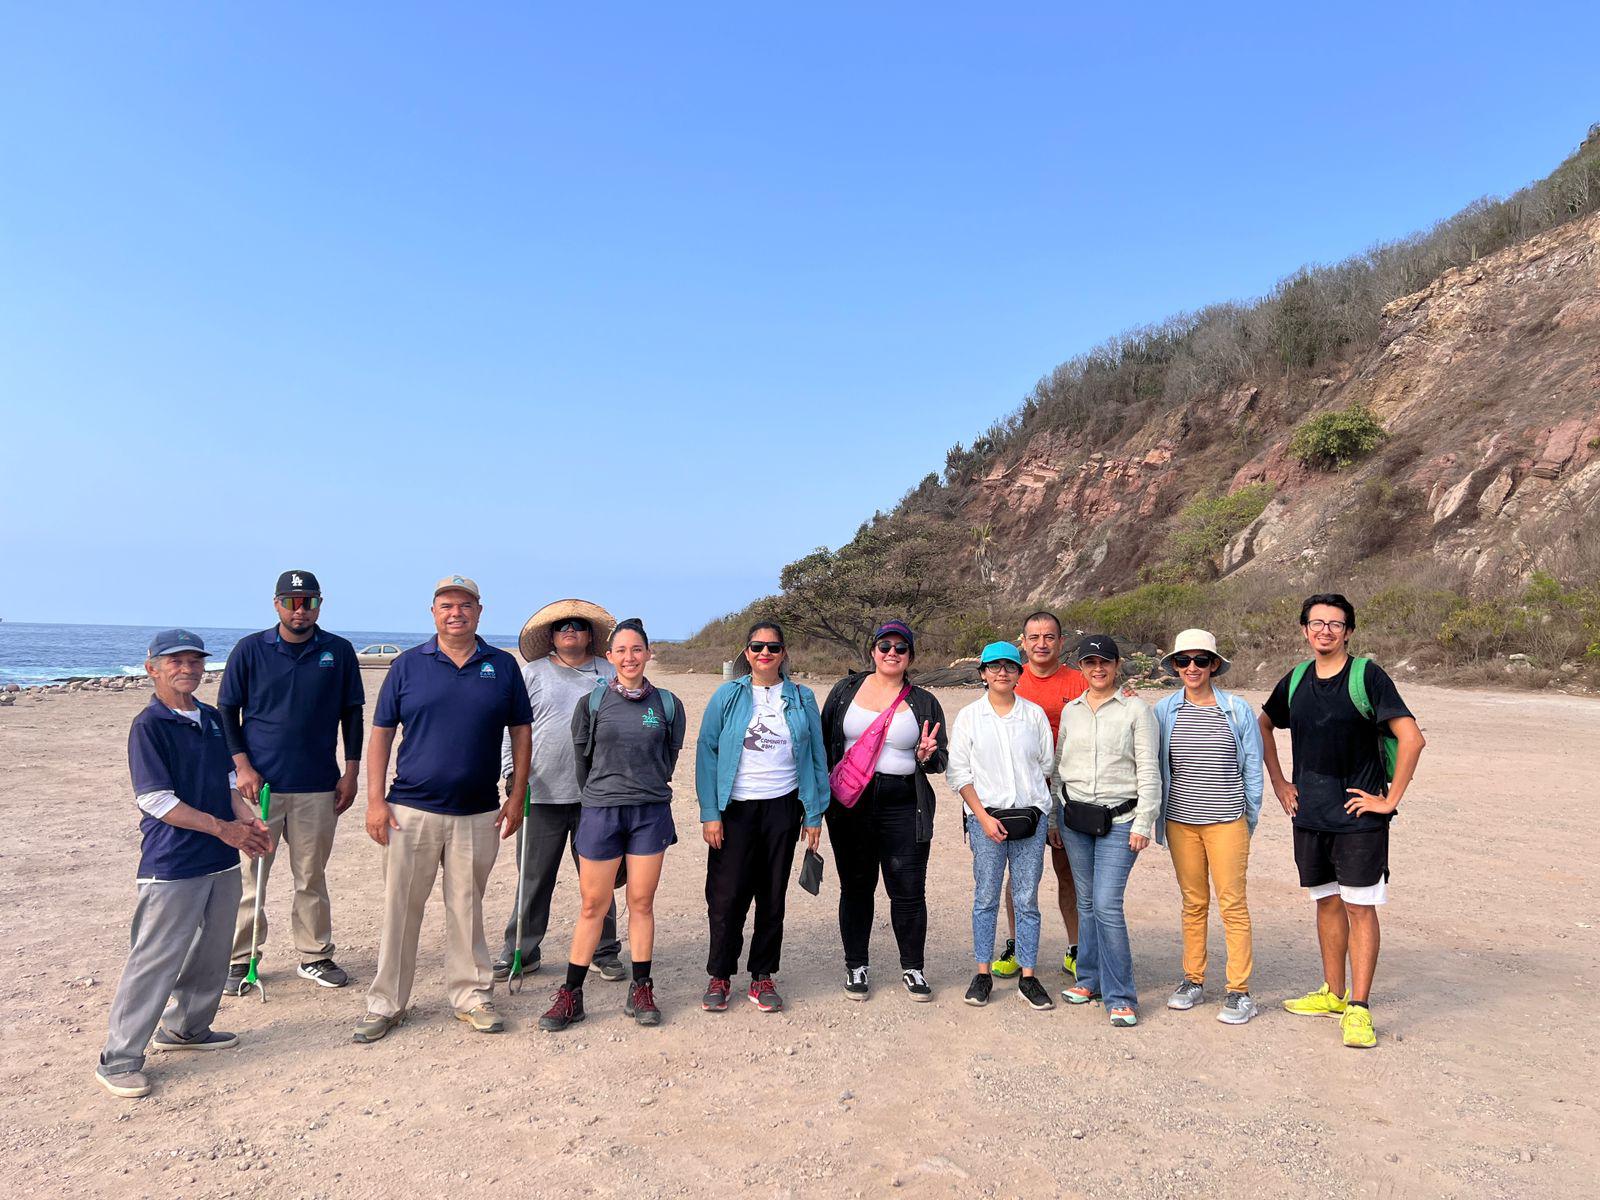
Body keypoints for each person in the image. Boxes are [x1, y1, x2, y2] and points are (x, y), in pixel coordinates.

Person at [354, 576, 531, 1043]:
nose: (456, 612)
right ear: (433, 613)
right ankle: (386, 1003)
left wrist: (516, 795)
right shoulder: (408, 666)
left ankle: (471, 996)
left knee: (467, 908)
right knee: (400, 908)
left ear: (479, 610)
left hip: (478, 812)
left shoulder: (502, 666)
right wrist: (375, 800)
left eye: (465, 605)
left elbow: (521, 731)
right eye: (447, 605)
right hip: (410, 810)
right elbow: (381, 734)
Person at [96, 630, 273, 1098]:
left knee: (213, 952)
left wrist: (247, 824)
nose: (188, 668)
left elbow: (230, 782)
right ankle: (119, 1059)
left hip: (219, 861)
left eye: (195, 660)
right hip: (172, 863)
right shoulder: (149, 725)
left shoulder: (211, 719)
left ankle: (187, 1029)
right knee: (155, 958)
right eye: (175, 661)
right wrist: (224, 829)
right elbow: (156, 800)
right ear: (152, 667)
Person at [1260, 594, 1424, 1050]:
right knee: (1327, 902)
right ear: (1304, 630)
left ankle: (1359, 1007)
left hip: (1358, 819)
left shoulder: (1367, 676)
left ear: (1348, 631)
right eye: (1317, 623)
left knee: (1359, 906)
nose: (1326, 631)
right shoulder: (1295, 680)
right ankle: (1333, 994)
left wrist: (1388, 801)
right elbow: (1263, 725)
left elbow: (1412, 739)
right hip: (1310, 815)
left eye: (1335, 624)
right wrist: (1280, 783)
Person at [218, 569, 364, 994]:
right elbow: (228, 711)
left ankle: (315, 956)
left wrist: (351, 772)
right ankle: (241, 960)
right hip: (260, 788)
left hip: (318, 785)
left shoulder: (337, 652)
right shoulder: (250, 650)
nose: (300, 610)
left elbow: (351, 715)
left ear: (320, 603)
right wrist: (242, 766)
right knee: (252, 878)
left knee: (311, 875)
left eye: (309, 602)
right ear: (277, 603)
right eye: (292, 601)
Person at [540, 618, 686, 1032]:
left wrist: (643, 787)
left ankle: (641, 987)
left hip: (650, 812)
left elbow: (668, 758)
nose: (629, 657)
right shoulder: (593, 702)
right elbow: (582, 759)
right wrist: (603, 796)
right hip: (601, 811)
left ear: (648, 653)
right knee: (593, 905)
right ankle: (571, 994)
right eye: (621, 650)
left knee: (641, 903)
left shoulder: (669, 704)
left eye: (636, 649)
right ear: (610, 657)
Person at [695, 620, 829, 1013]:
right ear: (746, 652)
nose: (765, 654)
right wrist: (710, 813)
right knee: (726, 896)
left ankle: (762, 975)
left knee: (772, 895)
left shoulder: (803, 698)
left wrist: (814, 813)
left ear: (784, 653)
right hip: (734, 808)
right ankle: (720, 974)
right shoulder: (728, 696)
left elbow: (817, 757)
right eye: (757, 647)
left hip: (782, 807)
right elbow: (707, 752)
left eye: (772, 647)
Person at [492, 599, 625, 985]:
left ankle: (604, 951)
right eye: (562, 625)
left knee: (598, 879)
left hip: (596, 796)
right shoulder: (531, 673)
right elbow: (511, 727)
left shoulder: (607, 670)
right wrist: (510, 775)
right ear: (551, 635)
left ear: (590, 635)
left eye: (579, 625)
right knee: (533, 878)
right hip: (540, 792)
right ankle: (522, 950)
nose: (571, 630)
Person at [820, 620, 948, 1002]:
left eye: (900, 647)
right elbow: (826, 742)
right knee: (856, 887)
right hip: (850, 804)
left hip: (904, 803)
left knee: (908, 890)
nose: (892, 653)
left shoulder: (923, 701)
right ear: (872, 650)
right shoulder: (845, 690)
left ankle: (913, 967)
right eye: (884, 645)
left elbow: (938, 758)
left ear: (910, 656)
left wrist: (927, 757)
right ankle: (856, 965)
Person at [1151, 629, 1264, 1025]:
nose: (1192, 668)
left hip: (1227, 820)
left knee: (1233, 903)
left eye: (1201, 660)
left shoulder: (1235, 709)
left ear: (1214, 665)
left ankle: (1239, 990)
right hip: (1182, 822)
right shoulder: (1164, 711)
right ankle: (1193, 979)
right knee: (1193, 903)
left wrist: (1249, 815)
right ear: (1175, 667)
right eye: (1184, 661)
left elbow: (1252, 765)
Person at [1052, 634, 1159, 1027]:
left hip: (1121, 821)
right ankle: (1089, 978)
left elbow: (1149, 768)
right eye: (1090, 662)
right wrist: (1052, 818)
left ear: (1117, 666)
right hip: (1075, 818)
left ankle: (1120, 995)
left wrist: (1144, 821)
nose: (1098, 669)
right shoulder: (1073, 711)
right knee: (1086, 902)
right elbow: (1060, 765)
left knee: (1108, 905)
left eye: (1105, 662)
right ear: (1081, 668)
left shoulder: (1135, 710)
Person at [948, 642, 1055, 1012]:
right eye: (993, 667)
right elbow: (959, 773)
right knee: (986, 897)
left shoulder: (1034, 715)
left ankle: (1028, 975)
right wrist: (982, 816)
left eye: (1010, 666)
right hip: (985, 819)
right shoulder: (970, 717)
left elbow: (1045, 766)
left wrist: (1035, 811)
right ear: (982, 673)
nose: (1002, 673)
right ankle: (982, 972)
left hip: (1030, 818)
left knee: (1026, 899)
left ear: (1019, 672)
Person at [1000, 611, 1087, 981]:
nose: (1041, 643)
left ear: (1061, 642)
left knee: (1070, 873)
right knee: (1020, 875)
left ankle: (1076, 947)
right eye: (1034, 637)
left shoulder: (1081, 680)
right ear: (1024, 641)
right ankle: (1017, 945)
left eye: (1049, 637)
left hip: (1072, 789)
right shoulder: (1010, 679)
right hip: (1024, 793)